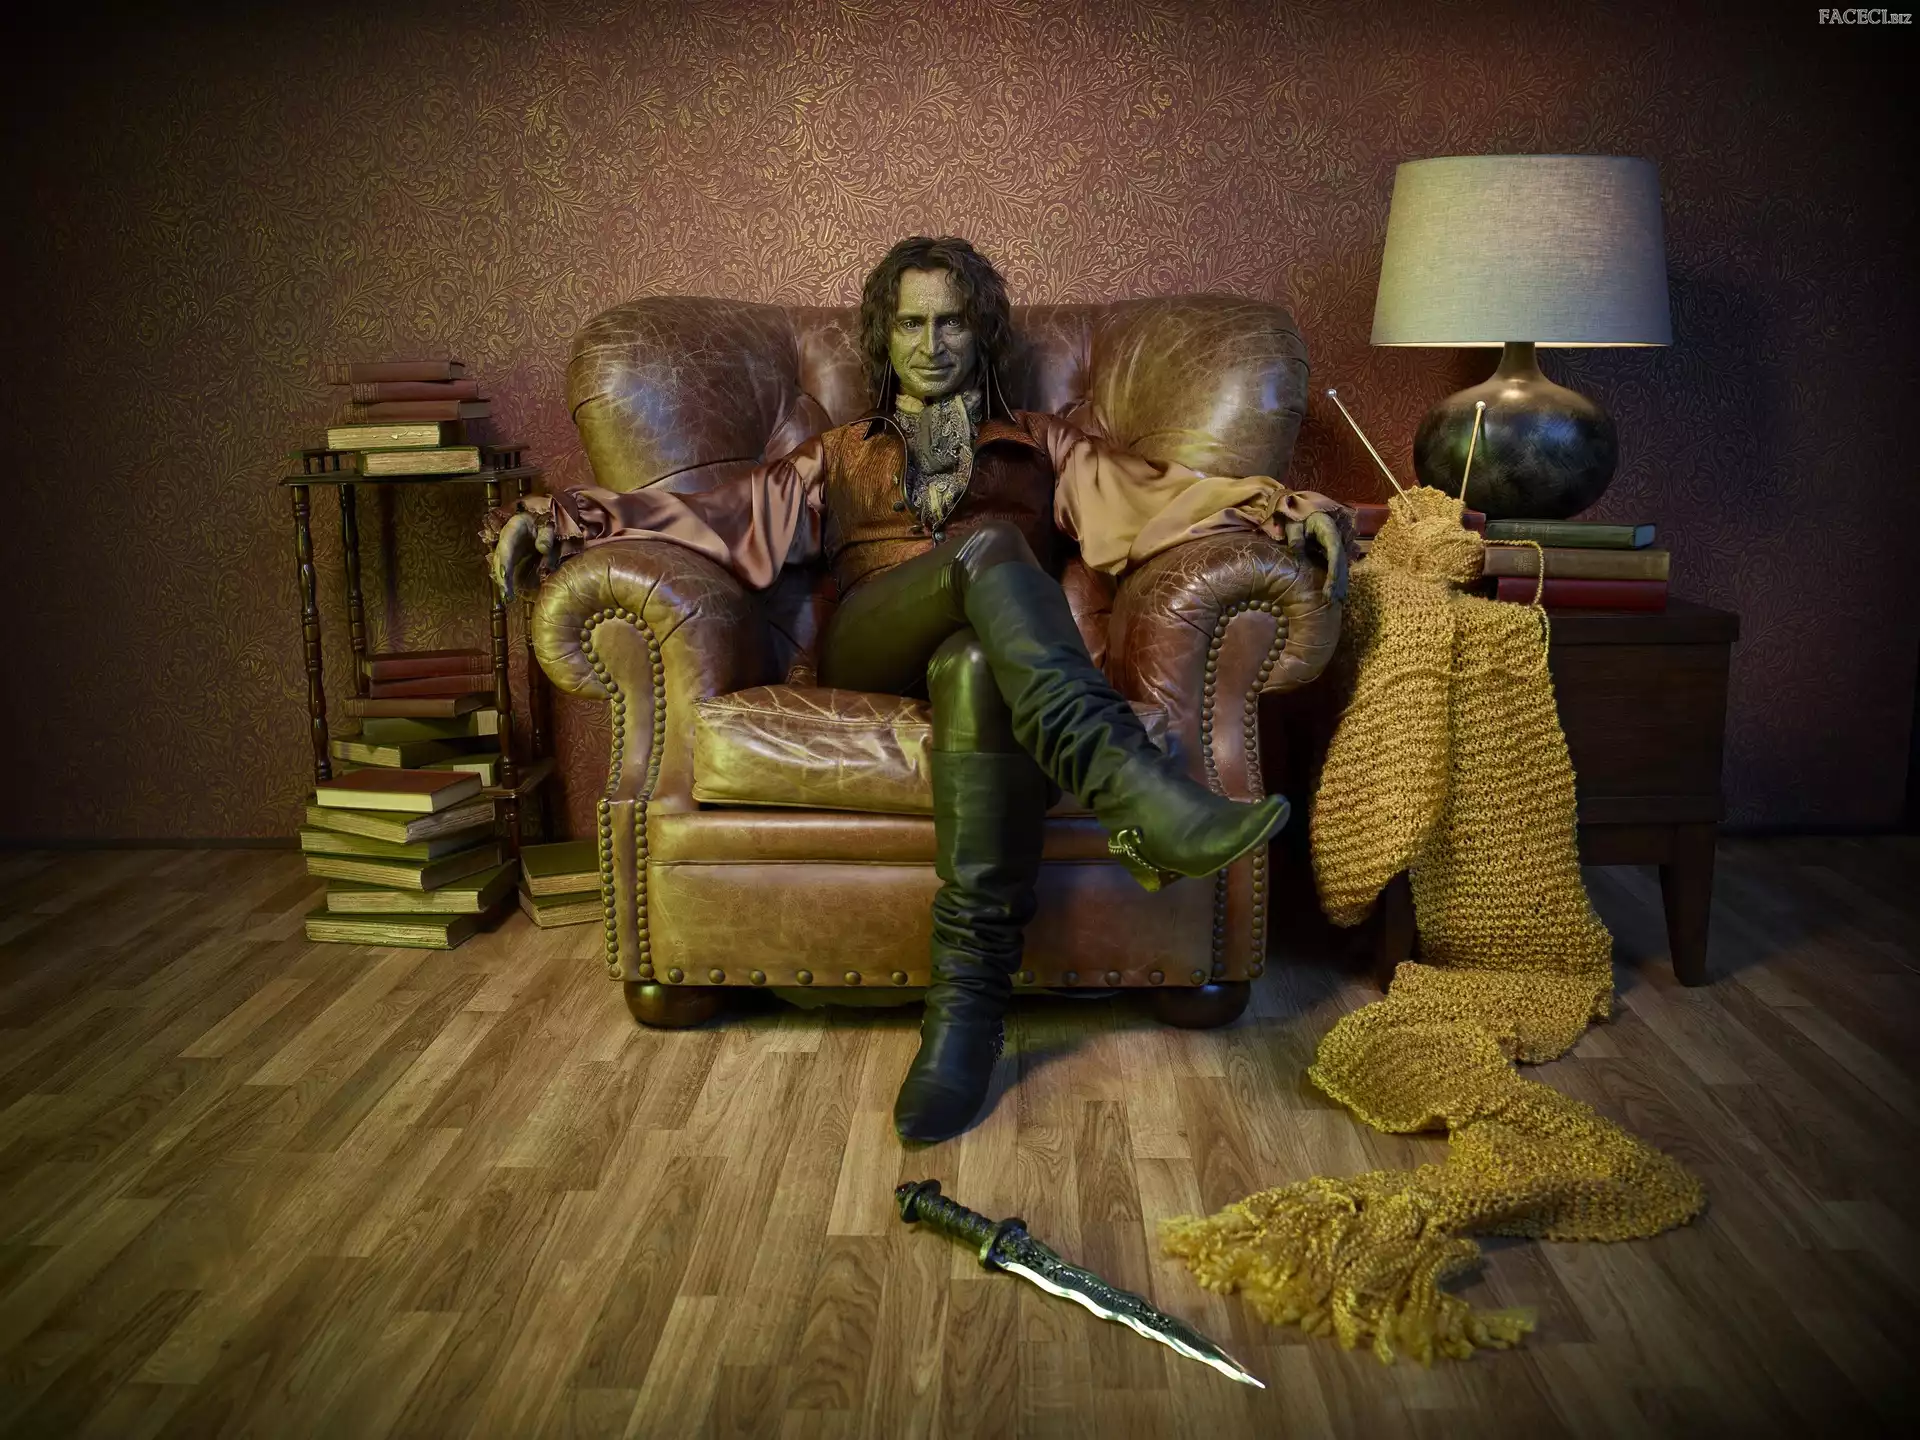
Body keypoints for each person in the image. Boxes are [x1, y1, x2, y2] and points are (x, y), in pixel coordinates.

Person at [493, 236, 1349, 1144]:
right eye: (910, 324)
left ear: (981, 333)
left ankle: (965, 1017)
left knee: (978, 665)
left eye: (951, 323)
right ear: (884, 335)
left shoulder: (1044, 444)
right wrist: (564, 520)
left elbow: (1162, 498)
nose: (931, 344)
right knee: (989, 548)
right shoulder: (834, 454)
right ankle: (1125, 779)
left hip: (992, 665)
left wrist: (1283, 512)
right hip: (873, 647)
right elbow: (709, 514)